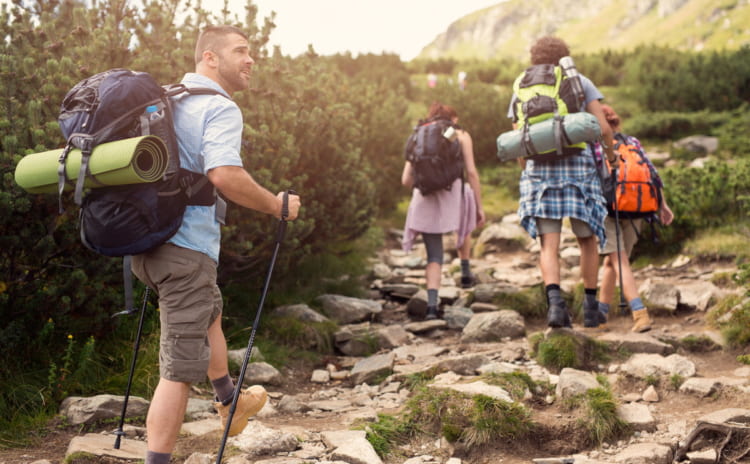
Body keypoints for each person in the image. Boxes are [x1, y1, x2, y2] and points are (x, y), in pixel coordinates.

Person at [130, 25, 301, 464]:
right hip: (185, 249)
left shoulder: (168, 100)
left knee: (212, 312)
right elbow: (224, 175)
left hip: (146, 245)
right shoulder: (220, 108)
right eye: (241, 51)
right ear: (210, 57)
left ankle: (229, 400)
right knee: (179, 372)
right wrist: (276, 204)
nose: (250, 60)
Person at [507, 36, 617, 329]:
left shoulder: (521, 83)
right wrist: (610, 156)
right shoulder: (578, 79)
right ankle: (591, 309)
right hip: (578, 168)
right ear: (563, 56)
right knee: (587, 239)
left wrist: (526, 169)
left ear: (535, 57)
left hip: (539, 170)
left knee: (549, 245)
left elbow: (519, 135)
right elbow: (604, 127)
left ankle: (556, 309)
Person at [402, 102, 486, 320]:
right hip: (453, 197)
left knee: (434, 255)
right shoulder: (460, 135)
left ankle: (431, 307)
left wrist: (428, 184)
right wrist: (479, 206)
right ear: (453, 118)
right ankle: (466, 272)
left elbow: (405, 180)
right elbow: (471, 172)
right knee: (465, 210)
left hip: (424, 197)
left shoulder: (420, 135)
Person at [596, 104, 674, 332]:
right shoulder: (633, 142)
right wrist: (662, 205)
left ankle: (640, 315)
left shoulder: (596, 145)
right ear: (617, 122)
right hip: (636, 207)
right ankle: (600, 316)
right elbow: (653, 174)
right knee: (613, 261)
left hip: (608, 209)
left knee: (619, 261)